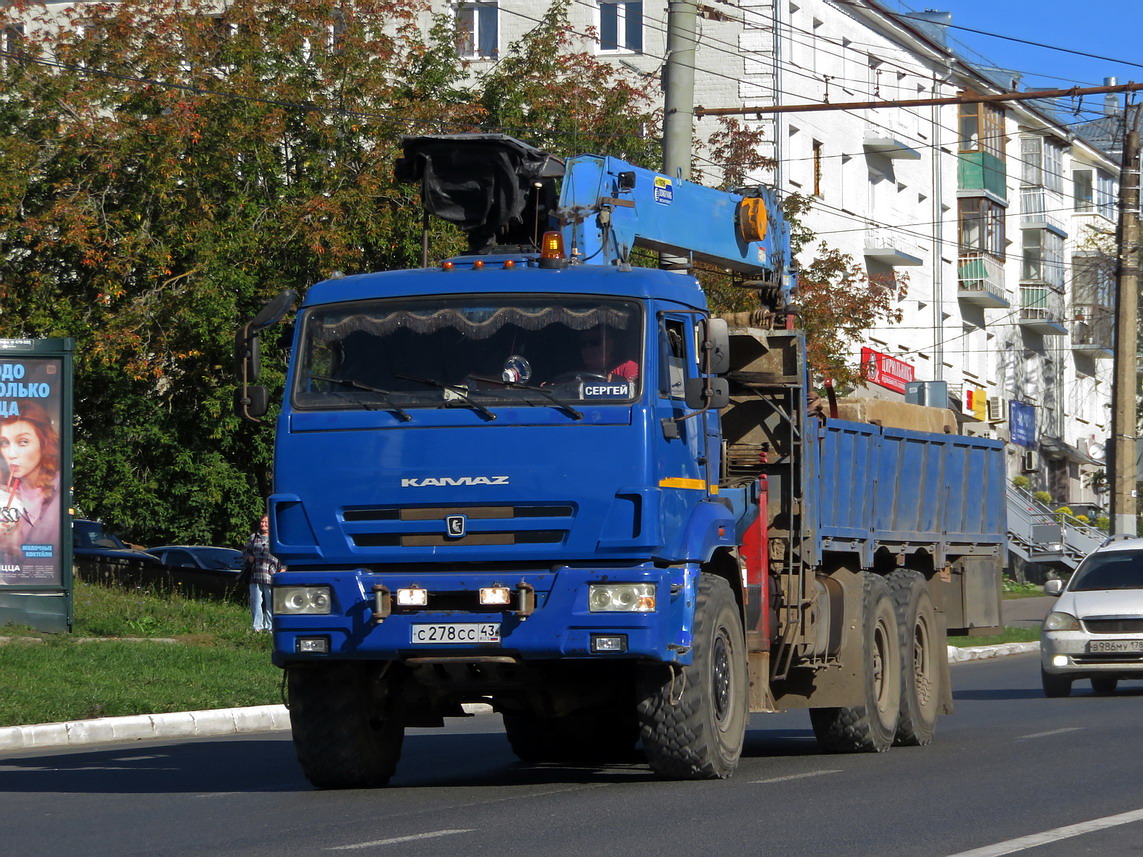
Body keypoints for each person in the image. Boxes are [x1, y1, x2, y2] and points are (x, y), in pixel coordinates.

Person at [0, 401, 62, 561]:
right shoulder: (6, 492)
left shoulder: (59, 487)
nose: (12, 454)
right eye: (5, 443)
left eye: (23, 442)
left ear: (44, 442)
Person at [242, 514, 283, 632]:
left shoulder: (276, 539)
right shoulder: (254, 537)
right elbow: (245, 551)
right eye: (262, 522)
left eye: (266, 522)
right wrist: (248, 556)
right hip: (255, 575)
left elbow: (282, 556)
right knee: (255, 602)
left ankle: (270, 627)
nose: (263, 524)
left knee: (271, 603)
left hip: (271, 575)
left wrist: (282, 569)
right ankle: (257, 627)